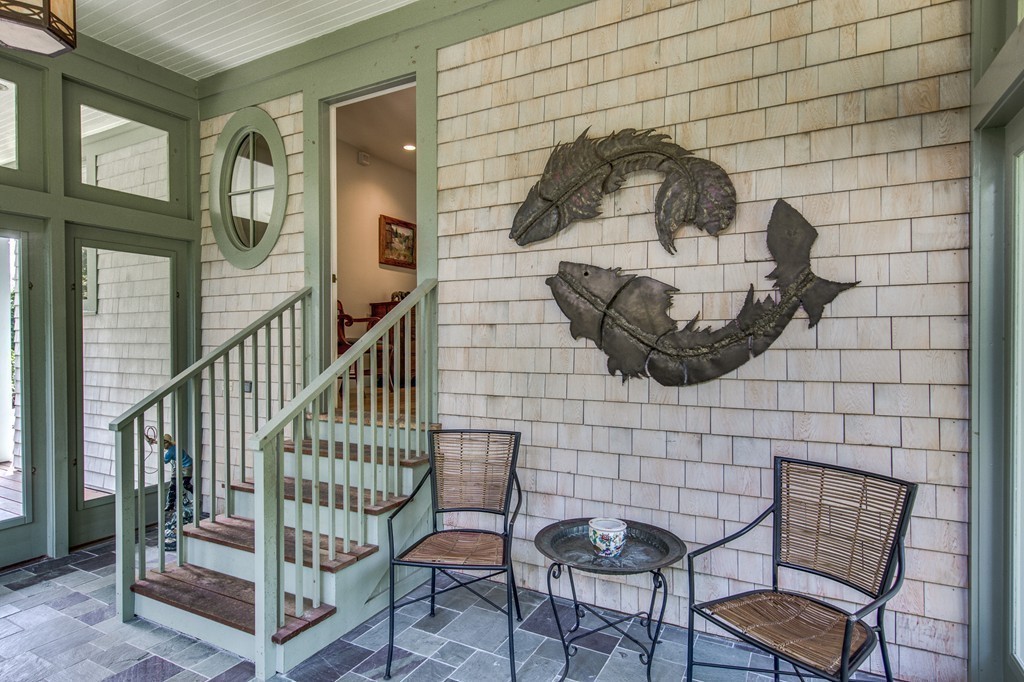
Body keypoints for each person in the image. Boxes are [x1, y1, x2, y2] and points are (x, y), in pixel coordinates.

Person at [162, 434, 193, 512]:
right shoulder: (174, 446)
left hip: (186, 466)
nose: (163, 445)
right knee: (174, 485)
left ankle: (171, 504)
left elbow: (165, 461)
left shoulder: (170, 452)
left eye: (164, 443)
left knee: (184, 484)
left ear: (168, 443)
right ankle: (170, 504)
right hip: (180, 466)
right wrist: (154, 441)